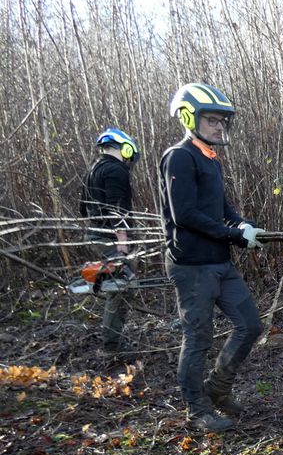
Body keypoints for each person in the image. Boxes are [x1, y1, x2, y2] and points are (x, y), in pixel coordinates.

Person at [160, 82, 266, 432]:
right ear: (190, 118)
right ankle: (197, 409)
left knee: (250, 324)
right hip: (191, 265)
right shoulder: (180, 156)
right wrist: (235, 235)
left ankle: (218, 389)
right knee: (198, 338)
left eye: (223, 121)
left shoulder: (210, 159)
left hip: (219, 261)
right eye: (212, 120)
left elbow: (222, 208)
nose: (220, 126)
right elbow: (185, 215)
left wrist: (244, 225)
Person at [80, 127, 140, 353]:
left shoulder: (93, 169)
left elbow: (83, 209)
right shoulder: (117, 171)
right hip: (111, 238)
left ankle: (111, 338)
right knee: (123, 286)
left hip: (95, 234)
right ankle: (110, 345)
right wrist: (122, 244)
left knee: (120, 284)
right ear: (126, 148)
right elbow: (118, 209)